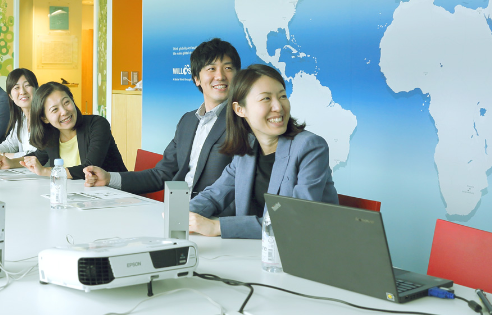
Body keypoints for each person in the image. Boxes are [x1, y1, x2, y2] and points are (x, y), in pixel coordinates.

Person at [188, 64, 338, 239]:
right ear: (240, 109)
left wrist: (217, 227)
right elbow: (214, 196)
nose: (278, 107)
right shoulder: (246, 150)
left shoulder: (310, 146)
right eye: (266, 98)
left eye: (282, 96)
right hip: (255, 248)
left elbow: (296, 219)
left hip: (305, 247)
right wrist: (183, 213)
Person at [84, 38, 240, 196]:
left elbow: (239, 187)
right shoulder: (188, 121)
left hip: (213, 210)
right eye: (211, 68)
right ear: (197, 79)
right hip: (178, 206)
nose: (220, 76)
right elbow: (161, 174)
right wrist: (109, 178)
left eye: (228, 68)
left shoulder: (243, 122)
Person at [21, 82, 126, 179]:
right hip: (76, 191)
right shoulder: (52, 135)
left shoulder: (97, 124)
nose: (64, 111)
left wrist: (46, 171)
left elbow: (90, 169)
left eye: (66, 102)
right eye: (55, 109)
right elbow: (37, 156)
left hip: (113, 191)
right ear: (44, 118)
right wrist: (13, 162)